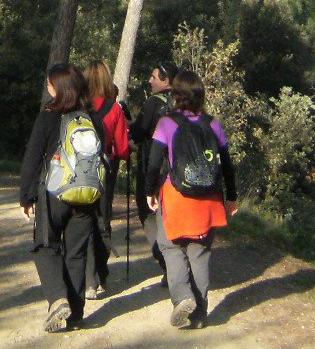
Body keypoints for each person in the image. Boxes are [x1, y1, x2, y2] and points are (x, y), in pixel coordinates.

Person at [145, 68, 237, 330]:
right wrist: (231, 198)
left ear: (176, 95)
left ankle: (183, 297)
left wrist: (150, 191)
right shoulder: (213, 124)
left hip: (177, 198)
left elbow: (154, 164)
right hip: (208, 200)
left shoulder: (166, 124)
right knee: (200, 254)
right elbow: (228, 165)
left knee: (170, 247)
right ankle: (200, 314)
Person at [20, 62, 103, 333]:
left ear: (57, 88)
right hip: (87, 195)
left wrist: (26, 196)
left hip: (54, 193)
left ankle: (57, 300)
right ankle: (76, 313)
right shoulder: (93, 119)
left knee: (46, 247)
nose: (47, 87)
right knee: (76, 253)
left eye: (49, 83)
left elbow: (32, 158)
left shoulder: (47, 117)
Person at [83, 60, 130, 299]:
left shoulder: (78, 105)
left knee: (84, 220)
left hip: (79, 172)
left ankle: (87, 278)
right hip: (106, 169)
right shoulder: (114, 109)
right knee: (103, 220)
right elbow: (122, 149)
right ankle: (101, 274)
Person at [128, 59, 176, 282]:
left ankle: (168, 263)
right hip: (177, 171)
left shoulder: (152, 104)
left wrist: (127, 123)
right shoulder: (181, 102)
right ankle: (176, 266)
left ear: (165, 80)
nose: (150, 80)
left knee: (148, 214)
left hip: (152, 167)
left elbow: (137, 134)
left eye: (154, 77)